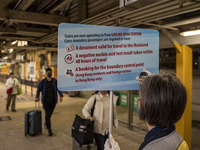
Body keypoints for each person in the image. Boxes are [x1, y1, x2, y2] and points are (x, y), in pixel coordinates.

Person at [137, 70, 189, 150]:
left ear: (149, 105)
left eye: (140, 98)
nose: (138, 102)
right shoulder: (181, 142)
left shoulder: (150, 147)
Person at [35, 68, 63, 136]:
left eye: (50, 72)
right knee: (47, 115)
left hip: (53, 101)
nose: (49, 73)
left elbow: (58, 88)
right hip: (45, 101)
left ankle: (46, 123)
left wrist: (61, 96)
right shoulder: (43, 81)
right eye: (48, 72)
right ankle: (49, 129)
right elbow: (39, 89)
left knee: (49, 114)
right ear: (46, 73)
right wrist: (37, 96)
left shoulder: (54, 81)